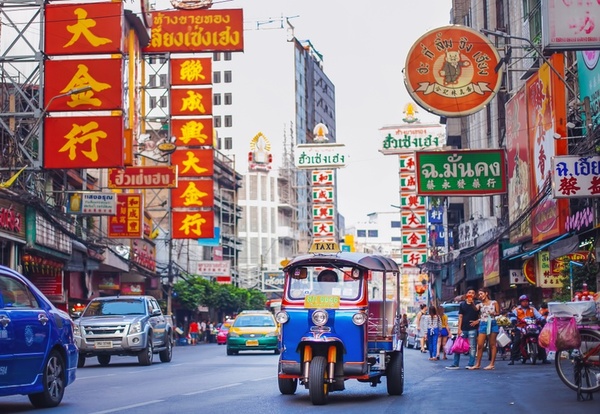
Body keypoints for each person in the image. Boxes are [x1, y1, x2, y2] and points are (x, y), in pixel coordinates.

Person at [509, 295, 549, 365]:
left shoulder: (532, 309)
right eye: (523, 301)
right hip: (520, 328)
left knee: (540, 340)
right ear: (520, 302)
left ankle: (544, 358)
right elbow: (512, 317)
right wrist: (513, 321)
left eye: (526, 301)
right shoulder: (516, 310)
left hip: (532, 327)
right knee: (516, 341)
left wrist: (543, 320)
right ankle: (512, 359)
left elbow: (539, 316)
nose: (525, 303)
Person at [446, 287, 480, 370]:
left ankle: (471, 364)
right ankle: (455, 363)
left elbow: (480, 314)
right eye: (469, 292)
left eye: (472, 293)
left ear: (474, 295)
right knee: (458, 345)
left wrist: (477, 321)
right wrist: (459, 329)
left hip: (473, 328)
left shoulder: (477, 303)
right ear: (466, 294)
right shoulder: (462, 304)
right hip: (463, 328)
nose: (471, 294)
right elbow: (460, 317)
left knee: (472, 347)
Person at [471, 287, 500, 370]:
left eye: (481, 294)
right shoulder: (480, 304)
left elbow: (498, 313)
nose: (480, 296)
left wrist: (494, 313)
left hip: (492, 323)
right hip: (483, 324)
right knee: (480, 345)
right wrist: (472, 302)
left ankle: (492, 364)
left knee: (492, 344)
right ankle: (478, 364)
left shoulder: (494, 303)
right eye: (479, 294)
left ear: (486, 293)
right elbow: (475, 309)